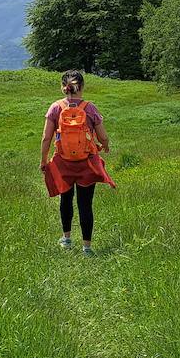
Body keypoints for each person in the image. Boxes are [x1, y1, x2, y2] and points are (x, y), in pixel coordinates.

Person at [40, 70, 114, 254]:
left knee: (65, 199)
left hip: (63, 162)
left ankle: (66, 239)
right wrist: (104, 145)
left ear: (63, 87)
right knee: (85, 204)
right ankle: (87, 248)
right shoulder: (90, 108)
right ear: (82, 87)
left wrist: (44, 161)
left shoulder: (55, 108)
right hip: (86, 163)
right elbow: (103, 135)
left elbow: (46, 138)